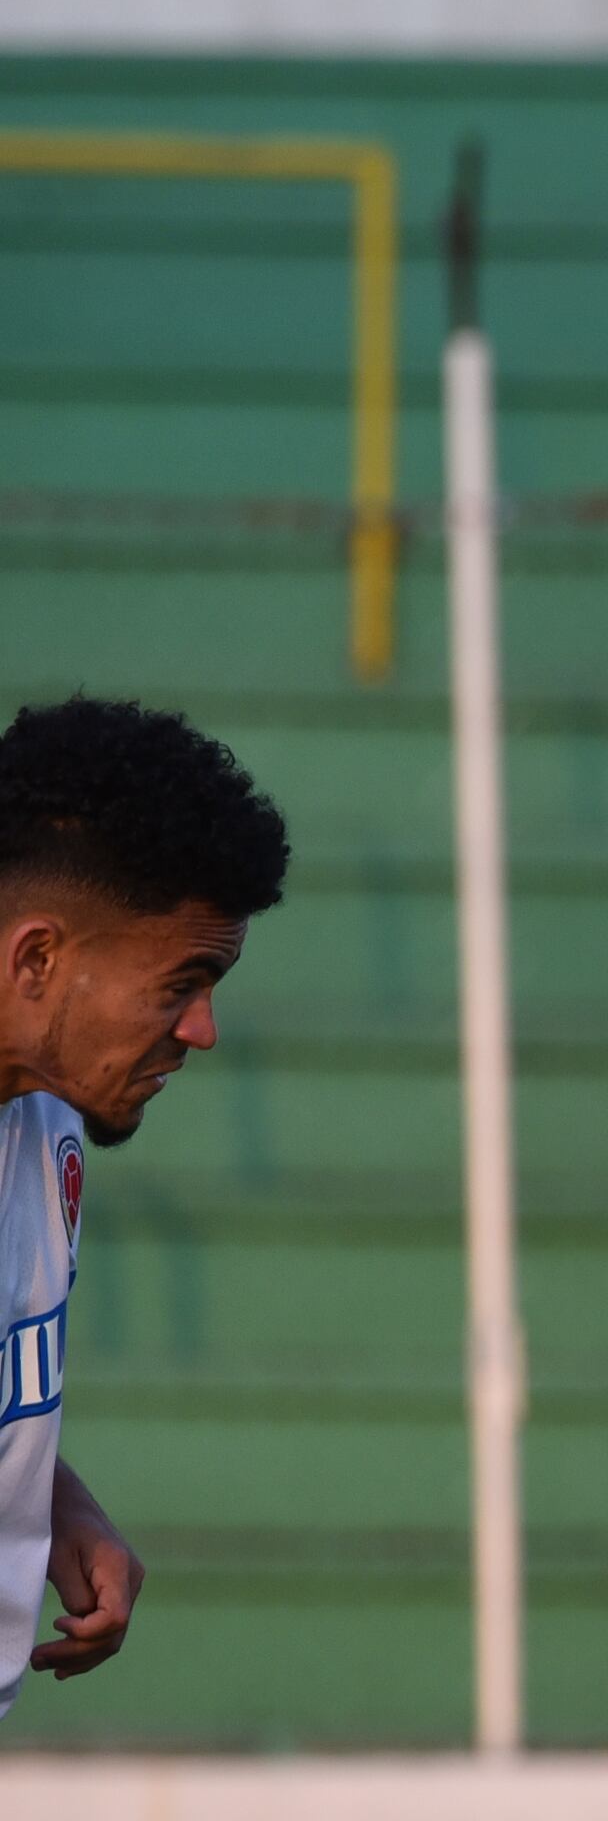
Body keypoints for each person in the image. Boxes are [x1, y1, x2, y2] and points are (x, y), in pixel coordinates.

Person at [0, 699, 291, 1723]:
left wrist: (50, 1497)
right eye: (182, 981)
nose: (201, 1029)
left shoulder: (48, 1122)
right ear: (36, 959)